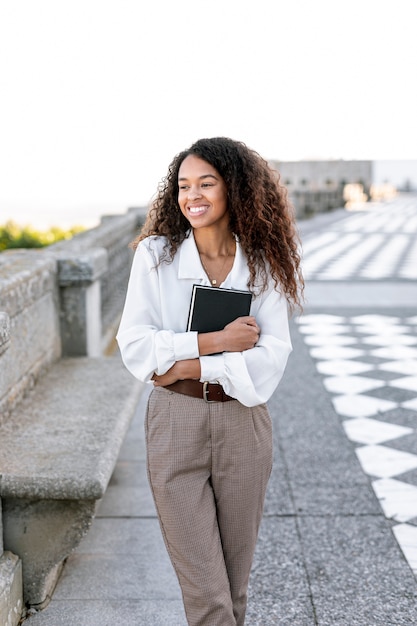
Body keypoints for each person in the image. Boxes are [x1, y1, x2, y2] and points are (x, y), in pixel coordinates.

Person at [116, 137, 303, 626]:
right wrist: (216, 341)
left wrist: (183, 361)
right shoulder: (155, 255)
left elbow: (268, 364)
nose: (191, 195)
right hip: (175, 423)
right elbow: (136, 347)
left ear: (234, 190)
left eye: (206, 183)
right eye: (182, 185)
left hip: (244, 426)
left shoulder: (264, 262)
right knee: (209, 597)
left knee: (234, 593)